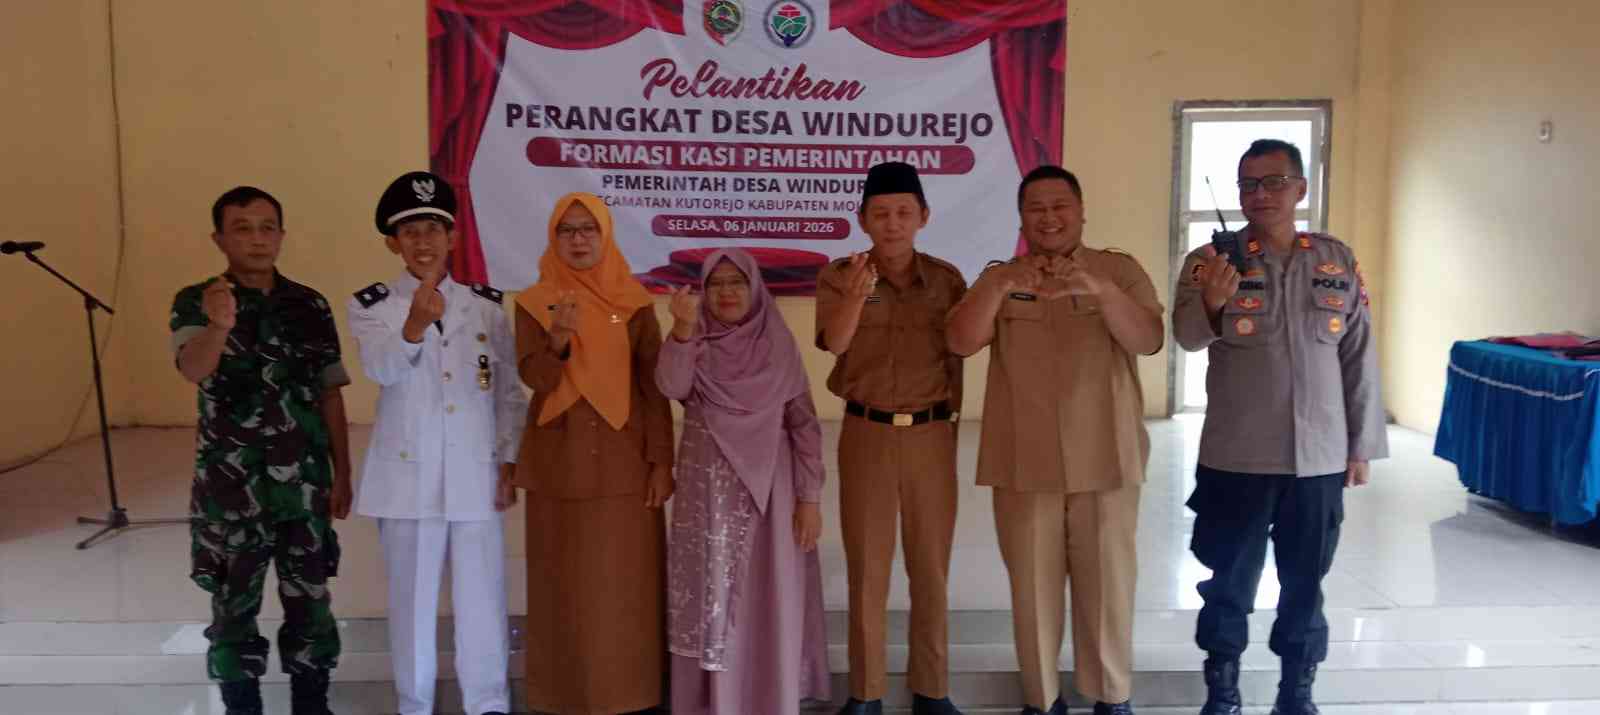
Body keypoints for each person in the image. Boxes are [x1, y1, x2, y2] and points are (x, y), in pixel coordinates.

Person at [1172, 139, 1387, 715]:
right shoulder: (1210, 260)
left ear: (1300, 188)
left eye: (1273, 182)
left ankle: (1297, 691)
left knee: (1304, 583)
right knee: (1228, 582)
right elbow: (1186, 337)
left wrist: (1360, 446)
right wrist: (1213, 302)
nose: (1260, 195)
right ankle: (1223, 689)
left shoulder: (1335, 261)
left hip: (1318, 459)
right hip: (1237, 457)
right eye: (1248, 185)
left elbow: (1358, 354)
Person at [946, 166, 1164, 715]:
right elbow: (960, 341)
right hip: (1024, 459)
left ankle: (1111, 696)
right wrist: (997, 286)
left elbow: (1148, 339)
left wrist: (1101, 291)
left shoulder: (1118, 270)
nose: (1049, 217)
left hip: (1106, 455)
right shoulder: (999, 277)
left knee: (1109, 587)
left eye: (1060, 205)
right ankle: (1041, 700)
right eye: (1035, 208)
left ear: (1081, 211)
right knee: (1032, 591)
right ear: (1021, 218)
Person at [347, 171, 525, 715]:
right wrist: (413, 327)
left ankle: (488, 703)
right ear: (393, 243)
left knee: (483, 600)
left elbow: (506, 392)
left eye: (432, 229)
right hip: (407, 479)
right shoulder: (373, 306)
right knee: (412, 605)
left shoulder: (486, 306)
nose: (422, 242)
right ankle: (415, 704)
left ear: (453, 238)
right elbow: (380, 370)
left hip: (475, 472)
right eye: (409, 232)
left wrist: (509, 459)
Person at [170, 186, 351, 715]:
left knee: (312, 608)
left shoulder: (310, 304)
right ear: (219, 239)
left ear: (281, 235)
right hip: (232, 493)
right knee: (233, 612)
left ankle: (312, 705)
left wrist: (343, 473)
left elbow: (330, 393)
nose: (257, 239)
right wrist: (219, 326)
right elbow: (192, 368)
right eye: (242, 228)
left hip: (305, 488)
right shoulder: (196, 301)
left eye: (267, 227)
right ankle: (241, 707)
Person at [814, 161, 968, 715]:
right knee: (868, 568)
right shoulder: (840, 276)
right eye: (880, 214)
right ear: (862, 219)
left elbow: (960, 353)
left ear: (923, 216)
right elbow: (835, 343)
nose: (893, 223)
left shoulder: (947, 280)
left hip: (930, 434)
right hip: (867, 433)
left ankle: (932, 689)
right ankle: (867, 692)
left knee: (930, 567)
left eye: (904, 212)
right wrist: (858, 295)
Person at [511, 192, 674, 715]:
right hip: (558, 465)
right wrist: (558, 340)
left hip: (626, 466)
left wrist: (662, 462)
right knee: (563, 588)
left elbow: (653, 388)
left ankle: (633, 697)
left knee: (626, 589)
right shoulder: (534, 302)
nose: (578, 240)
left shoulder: (635, 303)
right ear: (553, 238)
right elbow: (536, 379)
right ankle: (562, 698)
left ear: (606, 236)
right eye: (567, 230)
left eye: (588, 229)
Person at [656, 247, 832, 715]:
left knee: (767, 596)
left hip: (771, 495)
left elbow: (804, 426)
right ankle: (710, 703)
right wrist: (682, 330)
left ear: (755, 289)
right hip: (707, 497)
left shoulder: (778, 345)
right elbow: (671, 387)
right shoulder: (694, 340)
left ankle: (768, 699)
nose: (727, 292)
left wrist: (809, 499)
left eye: (737, 281)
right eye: (715, 283)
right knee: (709, 596)